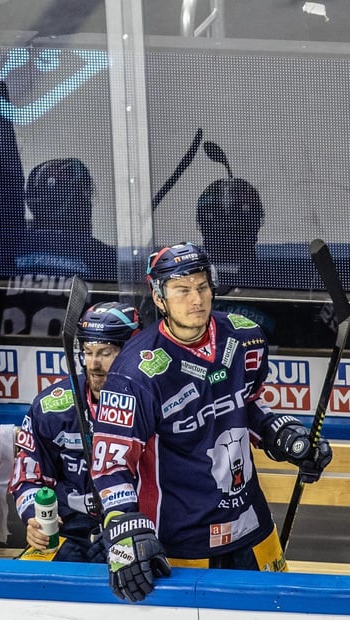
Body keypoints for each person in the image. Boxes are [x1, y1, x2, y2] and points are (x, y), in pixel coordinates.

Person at [90, 242, 333, 602]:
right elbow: (110, 464)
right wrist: (125, 530)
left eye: (202, 286)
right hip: (181, 543)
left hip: (252, 529)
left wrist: (280, 433)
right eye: (182, 290)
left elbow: (247, 405)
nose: (196, 299)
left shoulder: (244, 337)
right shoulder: (135, 372)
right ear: (159, 298)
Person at [10, 301, 140, 561]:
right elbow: (28, 478)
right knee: (33, 580)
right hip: (71, 526)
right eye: (88, 351)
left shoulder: (149, 404)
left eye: (105, 353)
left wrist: (128, 527)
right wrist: (34, 518)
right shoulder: (50, 407)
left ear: (131, 352)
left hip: (135, 523)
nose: (93, 364)